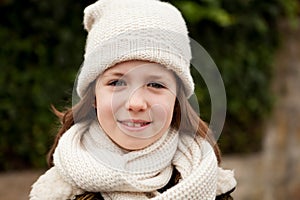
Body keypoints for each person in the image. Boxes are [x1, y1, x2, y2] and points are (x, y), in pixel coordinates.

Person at [30, 0, 236, 199]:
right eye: (117, 83)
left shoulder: (211, 185)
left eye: (156, 85)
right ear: (93, 95)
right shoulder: (56, 193)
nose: (136, 103)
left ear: (176, 98)